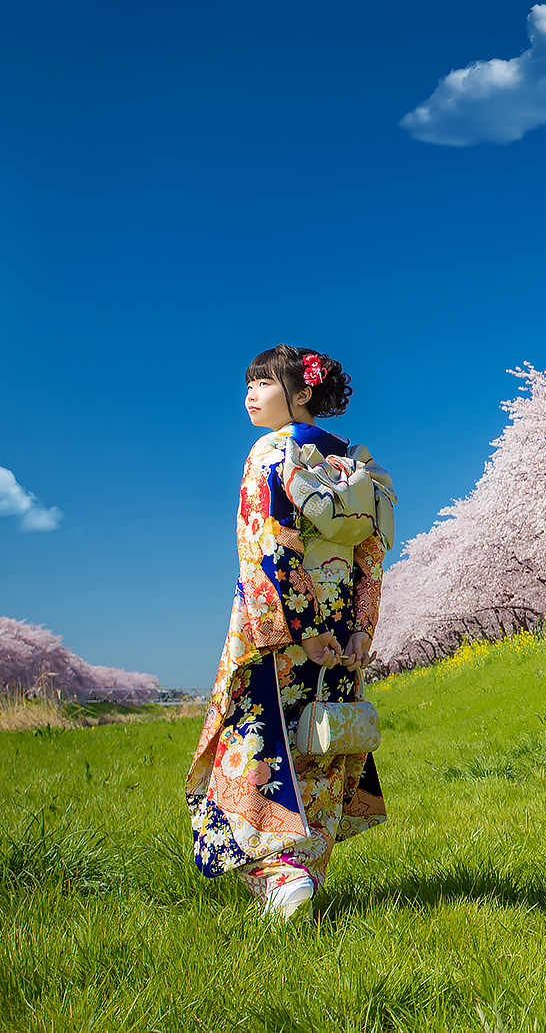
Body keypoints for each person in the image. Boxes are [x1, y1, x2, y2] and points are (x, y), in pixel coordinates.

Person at [184, 345, 392, 920]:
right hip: (340, 623)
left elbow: (266, 541)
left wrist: (291, 633)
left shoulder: (271, 452)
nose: (250, 394)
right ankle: (305, 872)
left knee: (257, 738)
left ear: (301, 393)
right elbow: (372, 553)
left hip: (281, 624)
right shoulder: (354, 460)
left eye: (263, 382)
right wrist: (357, 633)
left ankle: (280, 878)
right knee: (320, 740)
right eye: (247, 383)